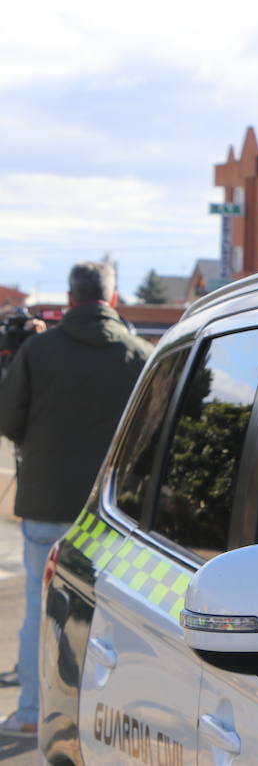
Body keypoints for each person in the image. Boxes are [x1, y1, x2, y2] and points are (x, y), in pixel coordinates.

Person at [0, 262, 151, 737]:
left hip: (45, 507)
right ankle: (104, 721)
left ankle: (29, 712)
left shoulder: (38, 351)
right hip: (112, 516)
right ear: (113, 296)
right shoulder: (140, 354)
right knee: (108, 621)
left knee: (38, 608)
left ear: (69, 296)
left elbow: (9, 421)